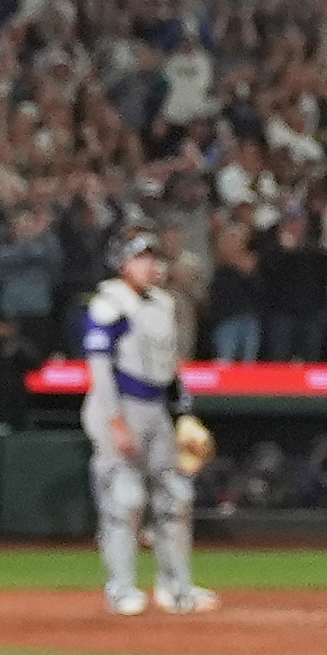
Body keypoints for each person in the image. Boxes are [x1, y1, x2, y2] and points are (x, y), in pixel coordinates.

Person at [83, 225, 211, 616]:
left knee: (176, 498)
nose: (149, 264)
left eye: (152, 257)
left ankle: (176, 587)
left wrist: (183, 413)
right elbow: (100, 369)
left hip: (155, 407)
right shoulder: (109, 304)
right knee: (125, 499)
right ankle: (120, 588)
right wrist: (115, 421)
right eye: (141, 257)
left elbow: (171, 368)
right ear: (122, 262)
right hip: (118, 403)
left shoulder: (162, 304)